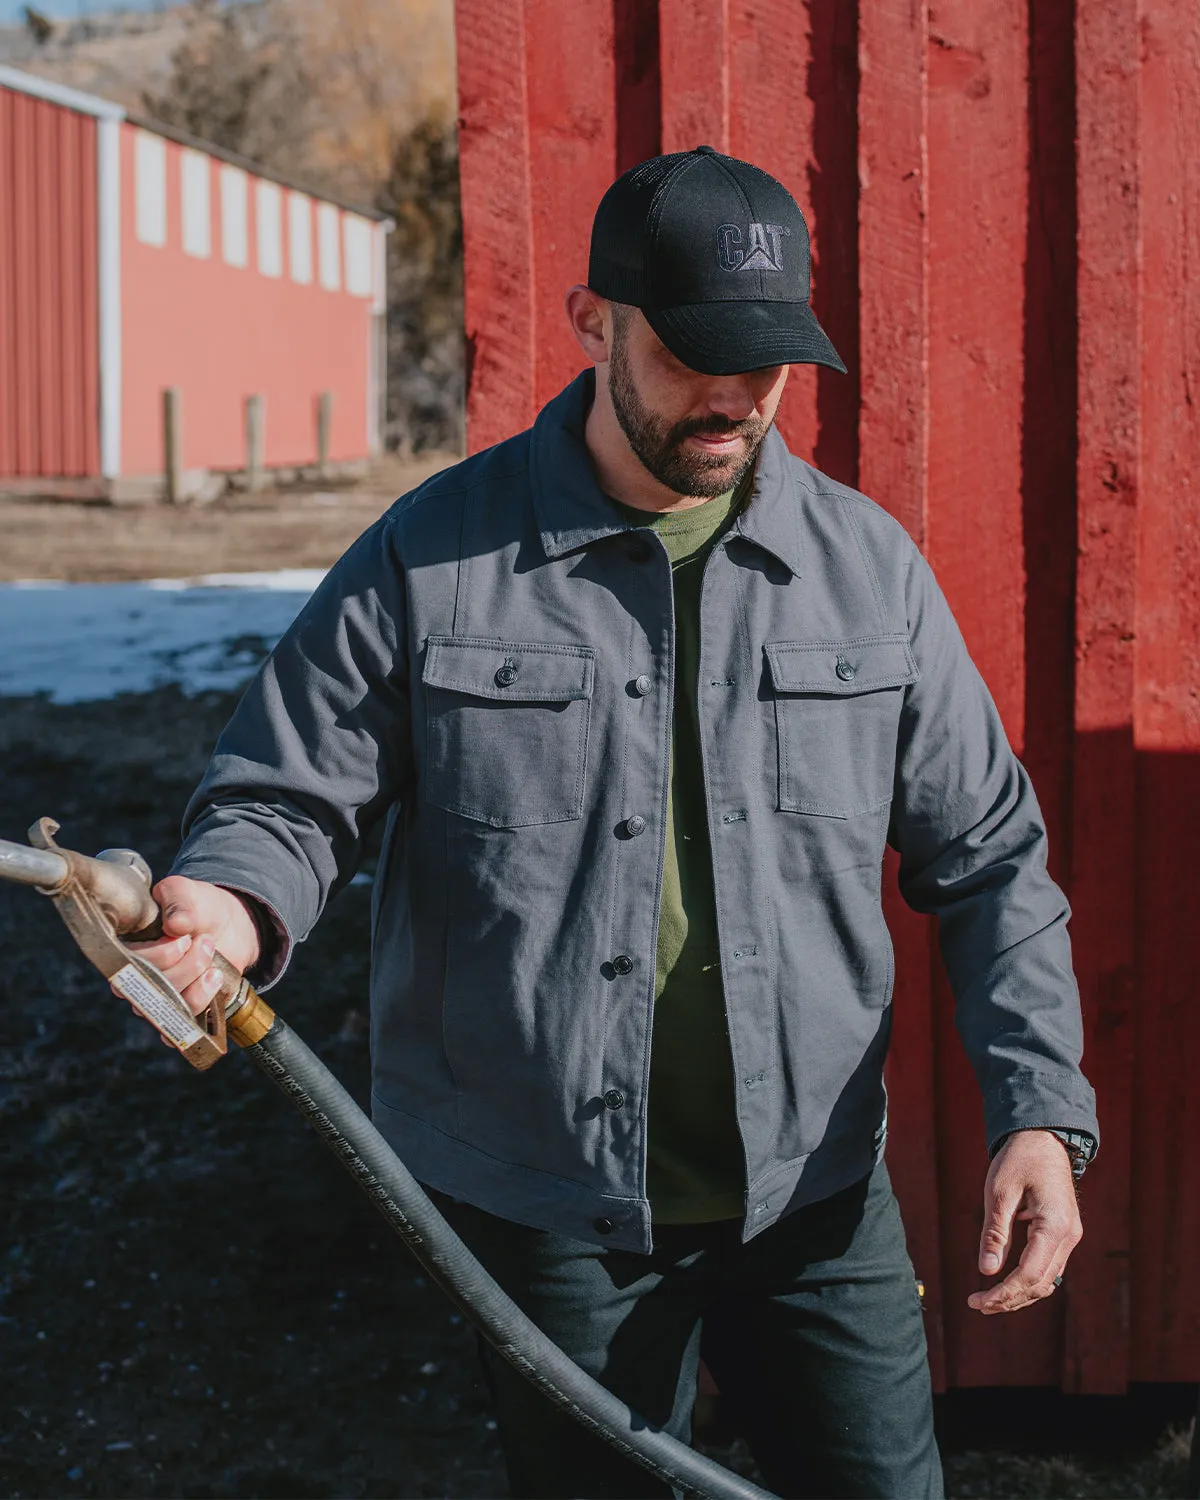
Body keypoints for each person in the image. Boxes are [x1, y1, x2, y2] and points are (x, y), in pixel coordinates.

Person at [124, 147, 1098, 1499]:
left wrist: (1040, 1111)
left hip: (812, 1199)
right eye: (696, 350)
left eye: (765, 359)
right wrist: (228, 904)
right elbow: (285, 794)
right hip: (545, 1206)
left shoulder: (868, 574)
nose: (736, 395)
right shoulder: (435, 557)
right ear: (594, 323)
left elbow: (990, 857)